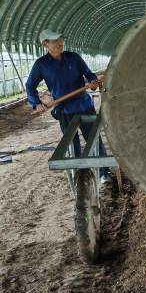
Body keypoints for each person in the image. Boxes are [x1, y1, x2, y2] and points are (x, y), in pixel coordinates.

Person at [26, 29, 111, 183]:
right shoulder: (41, 65)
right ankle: (80, 175)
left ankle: (104, 171)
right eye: (55, 41)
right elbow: (29, 86)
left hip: (84, 105)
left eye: (60, 39)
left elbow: (89, 74)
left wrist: (92, 82)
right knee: (72, 144)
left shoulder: (74, 58)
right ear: (45, 44)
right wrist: (36, 103)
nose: (60, 42)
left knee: (94, 139)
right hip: (63, 109)